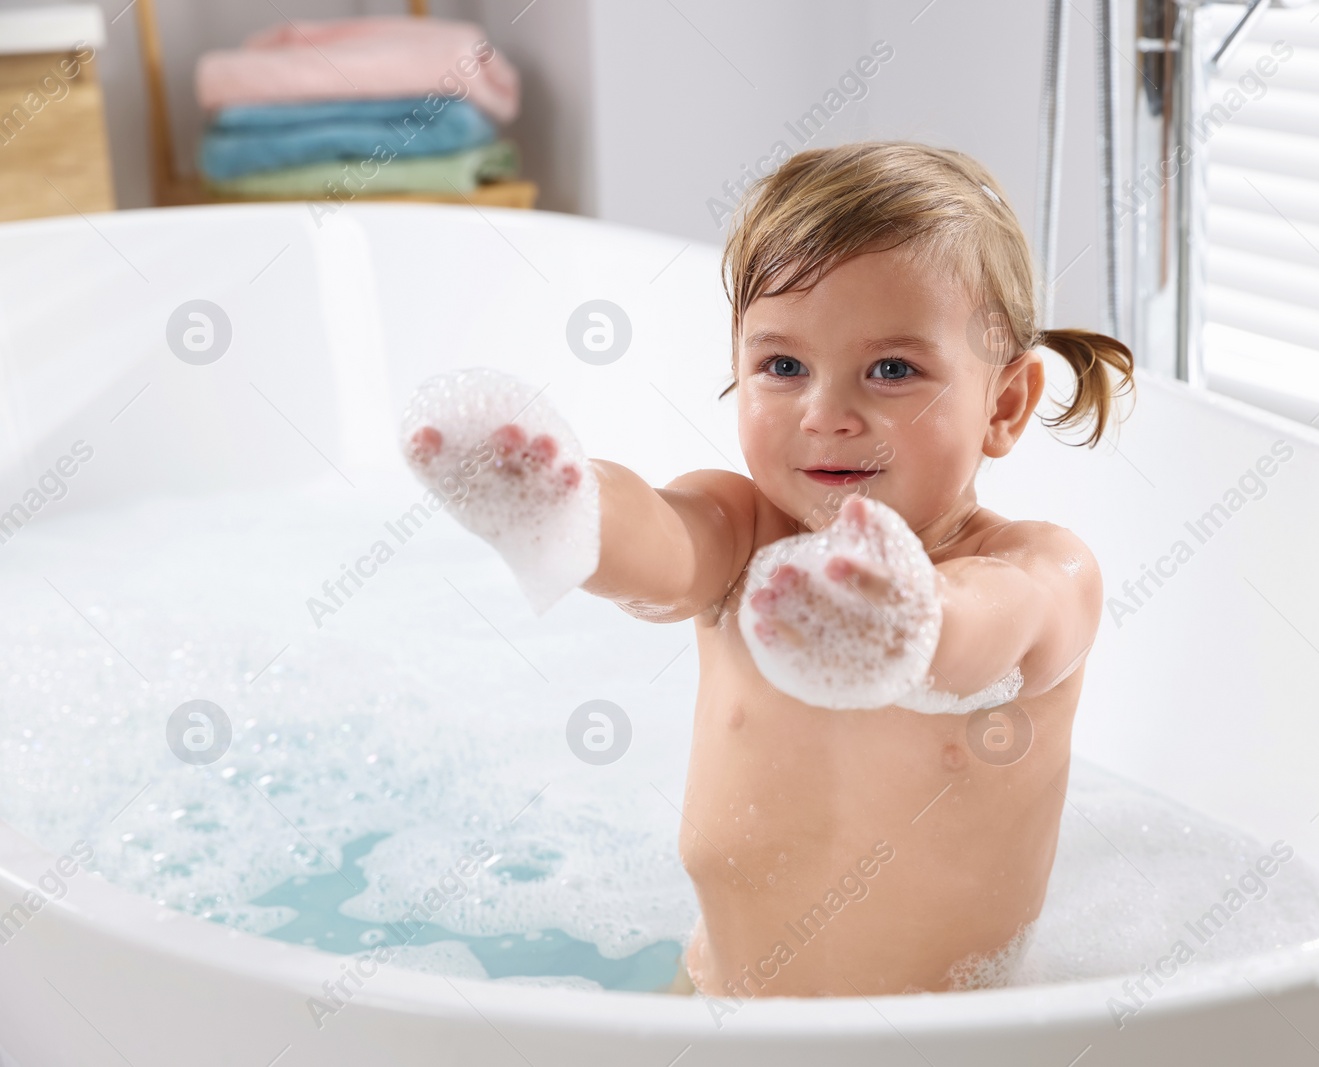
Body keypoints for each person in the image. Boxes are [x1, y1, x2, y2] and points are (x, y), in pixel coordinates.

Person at [403, 141, 1135, 997]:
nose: (827, 414)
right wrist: (568, 504)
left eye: (892, 370)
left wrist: (910, 621)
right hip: (713, 1008)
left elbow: (998, 622)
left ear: (1004, 404)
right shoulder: (748, 533)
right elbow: (662, 541)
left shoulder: (1041, 565)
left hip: (940, 1048)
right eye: (783, 366)